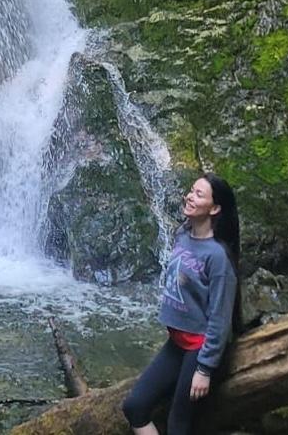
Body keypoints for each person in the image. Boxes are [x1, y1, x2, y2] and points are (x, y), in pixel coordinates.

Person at [121, 172, 241, 435]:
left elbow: (220, 319)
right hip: (177, 342)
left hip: (199, 347)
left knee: (178, 424)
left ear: (215, 208)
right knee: (134, 407)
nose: (189, 196)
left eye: (199, 194)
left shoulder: (217, 257)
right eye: (191, 190)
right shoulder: (183, 234)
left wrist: (205, 369)